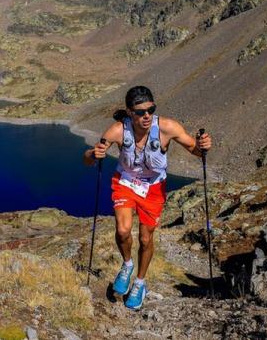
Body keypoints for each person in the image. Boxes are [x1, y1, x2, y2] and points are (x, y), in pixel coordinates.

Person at [82, 85, 212, 310]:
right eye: (140, 112)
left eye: (151, 110)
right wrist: (94, 154)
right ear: (129, 112)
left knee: (145, 239)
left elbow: (196, 150)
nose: (147, 116)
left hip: (153, 188)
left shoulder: (167, 128)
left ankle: (140, 282)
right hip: (125, 182)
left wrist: (204, 147)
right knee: (123, 230)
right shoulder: (117, 130)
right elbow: (88, 158)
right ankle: (127, 264)